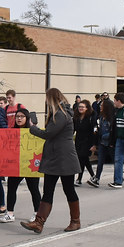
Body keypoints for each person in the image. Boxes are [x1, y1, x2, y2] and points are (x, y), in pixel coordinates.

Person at [22, 88, 81, 234]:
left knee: (68, 190)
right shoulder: (59, 113)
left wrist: (32, 128)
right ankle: (39, 222)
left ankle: (75, 221)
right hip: (55, 158)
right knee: (48, 190)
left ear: (51, 99)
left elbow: (48, 133)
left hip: (63, 158)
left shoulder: (61, 114)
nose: (46, 101)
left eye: (47, 98)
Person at [2, 109, 41, 223]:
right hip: (16, 165)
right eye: (17, 116)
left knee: (33, 189)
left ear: (27, 118)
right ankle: (9, 213)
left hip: (30, 166)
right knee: (11, 188)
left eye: (22, 116)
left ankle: (37, 213)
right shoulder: (12, 132)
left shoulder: (33, 131)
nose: (19, 118)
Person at [87, 99, 114, 187]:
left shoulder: (112, 118)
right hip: (102, 143)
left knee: (116, 161)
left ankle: (119, 178)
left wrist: (104, 136)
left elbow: (113, 132)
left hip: (110, 143)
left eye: (102, 105)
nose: (100, 107)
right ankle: (97, 179)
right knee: (100, 161)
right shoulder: (101, 118)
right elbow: (97, 129)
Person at [72, 101, 96, 184]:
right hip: (78, 141)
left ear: (87, 108)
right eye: (79, 107)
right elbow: (73, 129)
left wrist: (94, 144)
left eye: (83, 107)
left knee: (83, 158)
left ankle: (80, 178)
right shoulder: (76, 118)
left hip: (87, 141)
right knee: (82, 159)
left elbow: (94, 131)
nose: (81, 108)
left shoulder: (90, 117)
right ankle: (92, 176)